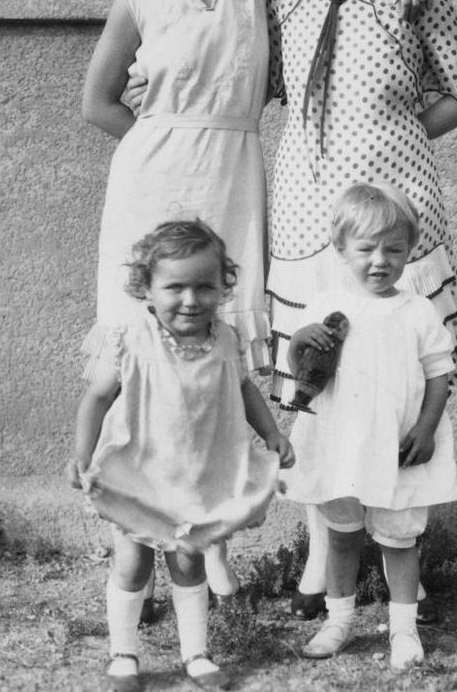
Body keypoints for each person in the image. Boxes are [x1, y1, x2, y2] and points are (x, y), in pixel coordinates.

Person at [82, 0, 427, 612]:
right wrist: (161, 144)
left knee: (225, 359)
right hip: (152, 190)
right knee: (159, 364)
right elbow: (99, 102)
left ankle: (218, 527)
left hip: (235, 181)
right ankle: (192, 549)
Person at [264, 0, 457, 622]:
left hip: (394, 214)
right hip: (303, 208)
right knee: (314, 377)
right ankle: (324, 555)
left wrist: (393, 134)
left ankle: (401, 556)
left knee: (390, 373)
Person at [69, 219, 295, 691]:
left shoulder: (227, 339)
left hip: (193, 476)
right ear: (146, 288)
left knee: (188, 562)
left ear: (222, 286)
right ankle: (123, 655)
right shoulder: (132, 338)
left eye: (204, 287)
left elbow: (245, 390)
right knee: (133, 564)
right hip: (137, 473)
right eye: (175, 287)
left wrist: (271, 433)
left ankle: (196, 653)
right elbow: (95, 399)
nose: (190, 300)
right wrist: (82, 455)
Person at [284, 182, 457, 670]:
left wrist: (426, 428)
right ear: (342, 249)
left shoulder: (418, 310)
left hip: (397, 442)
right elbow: (301, 365)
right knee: (341, 534)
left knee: (399, 537)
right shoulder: (325, 305)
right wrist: (299, 338)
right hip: (341, 441)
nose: (379, 260)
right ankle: (339, 620)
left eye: (394, 250)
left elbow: (440, 374)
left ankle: (403, 630)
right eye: (365, 249)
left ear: (410, 252)